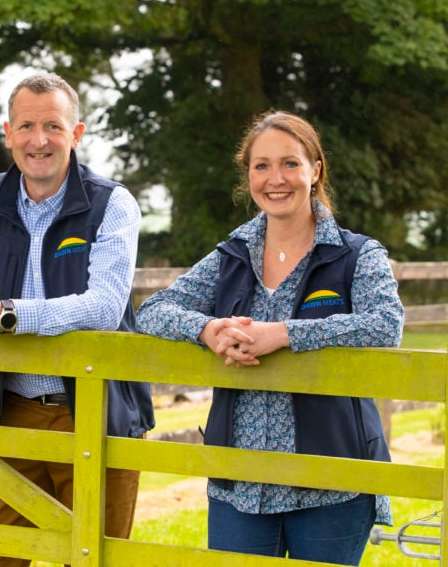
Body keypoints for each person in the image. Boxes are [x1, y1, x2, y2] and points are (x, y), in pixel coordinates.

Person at [0, 72, 154, 567]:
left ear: (76, 133)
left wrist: (4, 314)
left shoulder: (112, 204)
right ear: (8, 133)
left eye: (53, 127)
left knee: (95, 561)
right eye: (26, 126)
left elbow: (104, 307)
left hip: (97, 410)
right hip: (10, 409)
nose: (38, 140)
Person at [136, 111, 403, 565]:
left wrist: (284, 334)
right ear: (248, 175)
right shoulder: (230, 255)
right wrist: (207, 330)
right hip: (240, 481)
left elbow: (386, 325)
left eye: (290, 164)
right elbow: (152, 311)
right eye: (261, 166)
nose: (275, 179)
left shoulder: (356, 255)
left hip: (333, 476)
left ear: (315, 170)